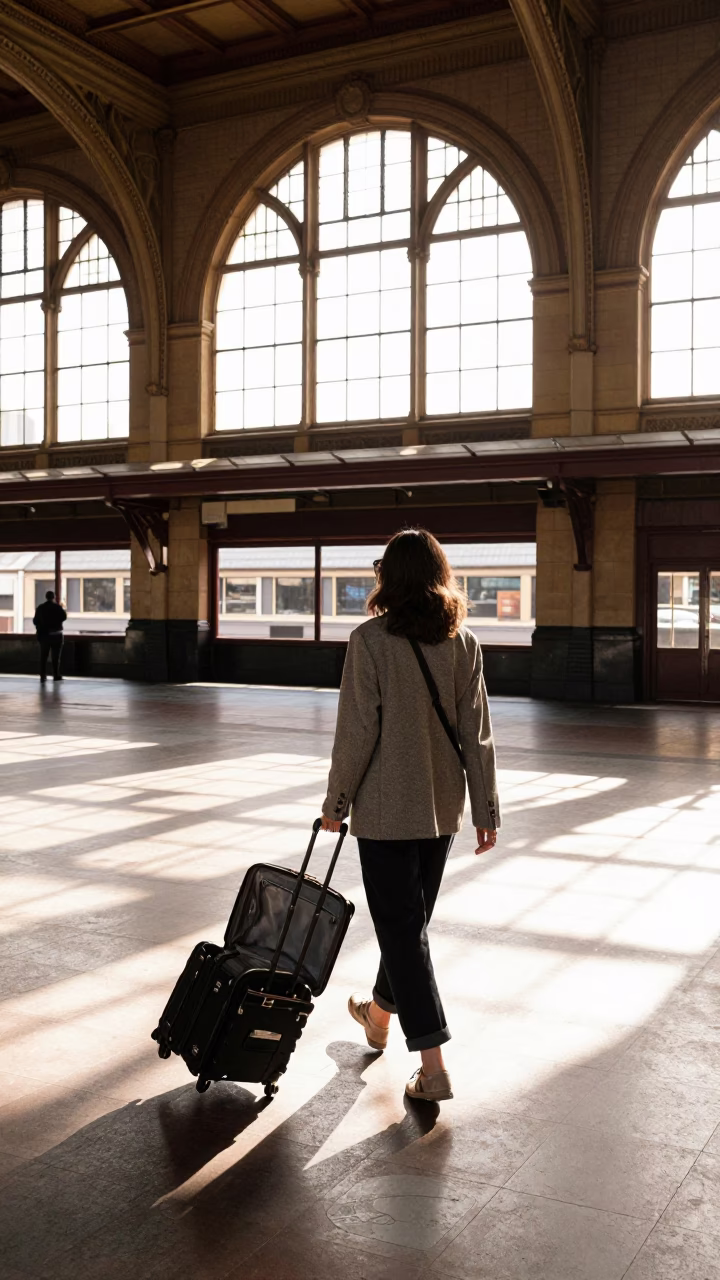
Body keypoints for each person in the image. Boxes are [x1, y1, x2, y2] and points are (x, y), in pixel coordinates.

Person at [321, 528, 499, 1104]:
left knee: (402, 928)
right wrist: (485, 808)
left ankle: (434, 1065)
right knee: (408, 926)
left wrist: (336, 802)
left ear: (387, 579)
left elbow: (357, 733)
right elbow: (478, 735)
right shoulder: (463, 641)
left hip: (384, 811)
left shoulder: (368, 640)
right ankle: (376, 1015)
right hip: (442, 809)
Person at [33, 589, 67, 683]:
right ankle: (56, 674)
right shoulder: (57, 607)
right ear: (53, 597)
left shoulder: (40, 608)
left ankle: (43, 675)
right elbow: (64, 617)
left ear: (46, 597)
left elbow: (35, 621)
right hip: (56, 635)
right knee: (56, 657)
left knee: (43, 656)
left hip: (44, 636)